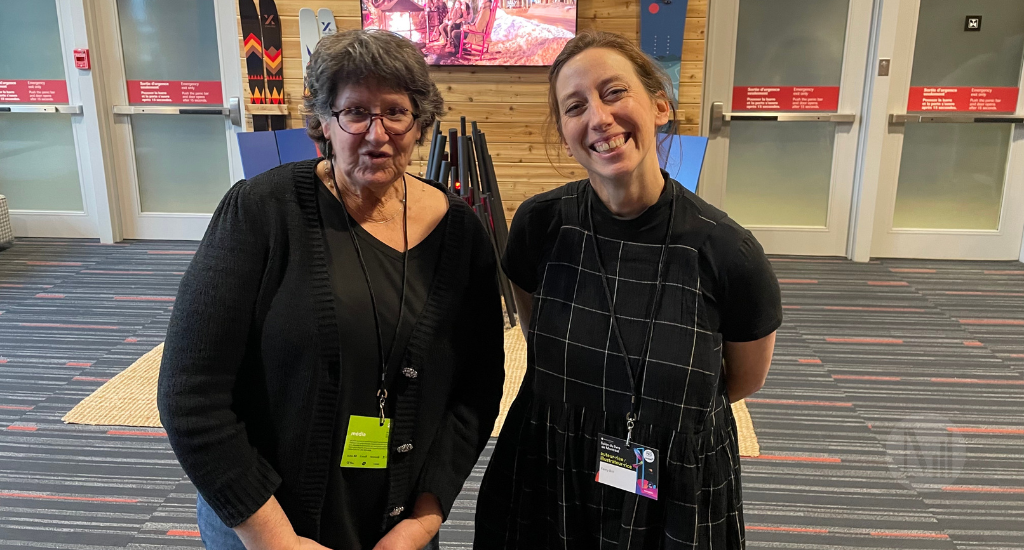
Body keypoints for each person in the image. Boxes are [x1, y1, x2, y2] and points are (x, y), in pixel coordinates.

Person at [158, 29, 505, 550]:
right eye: (355, 112)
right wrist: (277, 540)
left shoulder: (461, 234)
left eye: (395, 112)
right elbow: (191, 395)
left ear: (419, 124)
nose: (377, 132)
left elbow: (477, 389)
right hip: (265, 528)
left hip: (398, 530)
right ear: (323, 121)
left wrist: (424, 520)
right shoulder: (259, 213)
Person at [474, 31, 782, 549]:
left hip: (672, 486)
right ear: (565, 132)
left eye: (614, 93)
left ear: (660, 104)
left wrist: (659, 412)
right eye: (575, 106)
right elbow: (540, 340)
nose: (598, 117)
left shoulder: (729, 253)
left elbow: (741, 381)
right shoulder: (541, 226)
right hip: (550, 467)